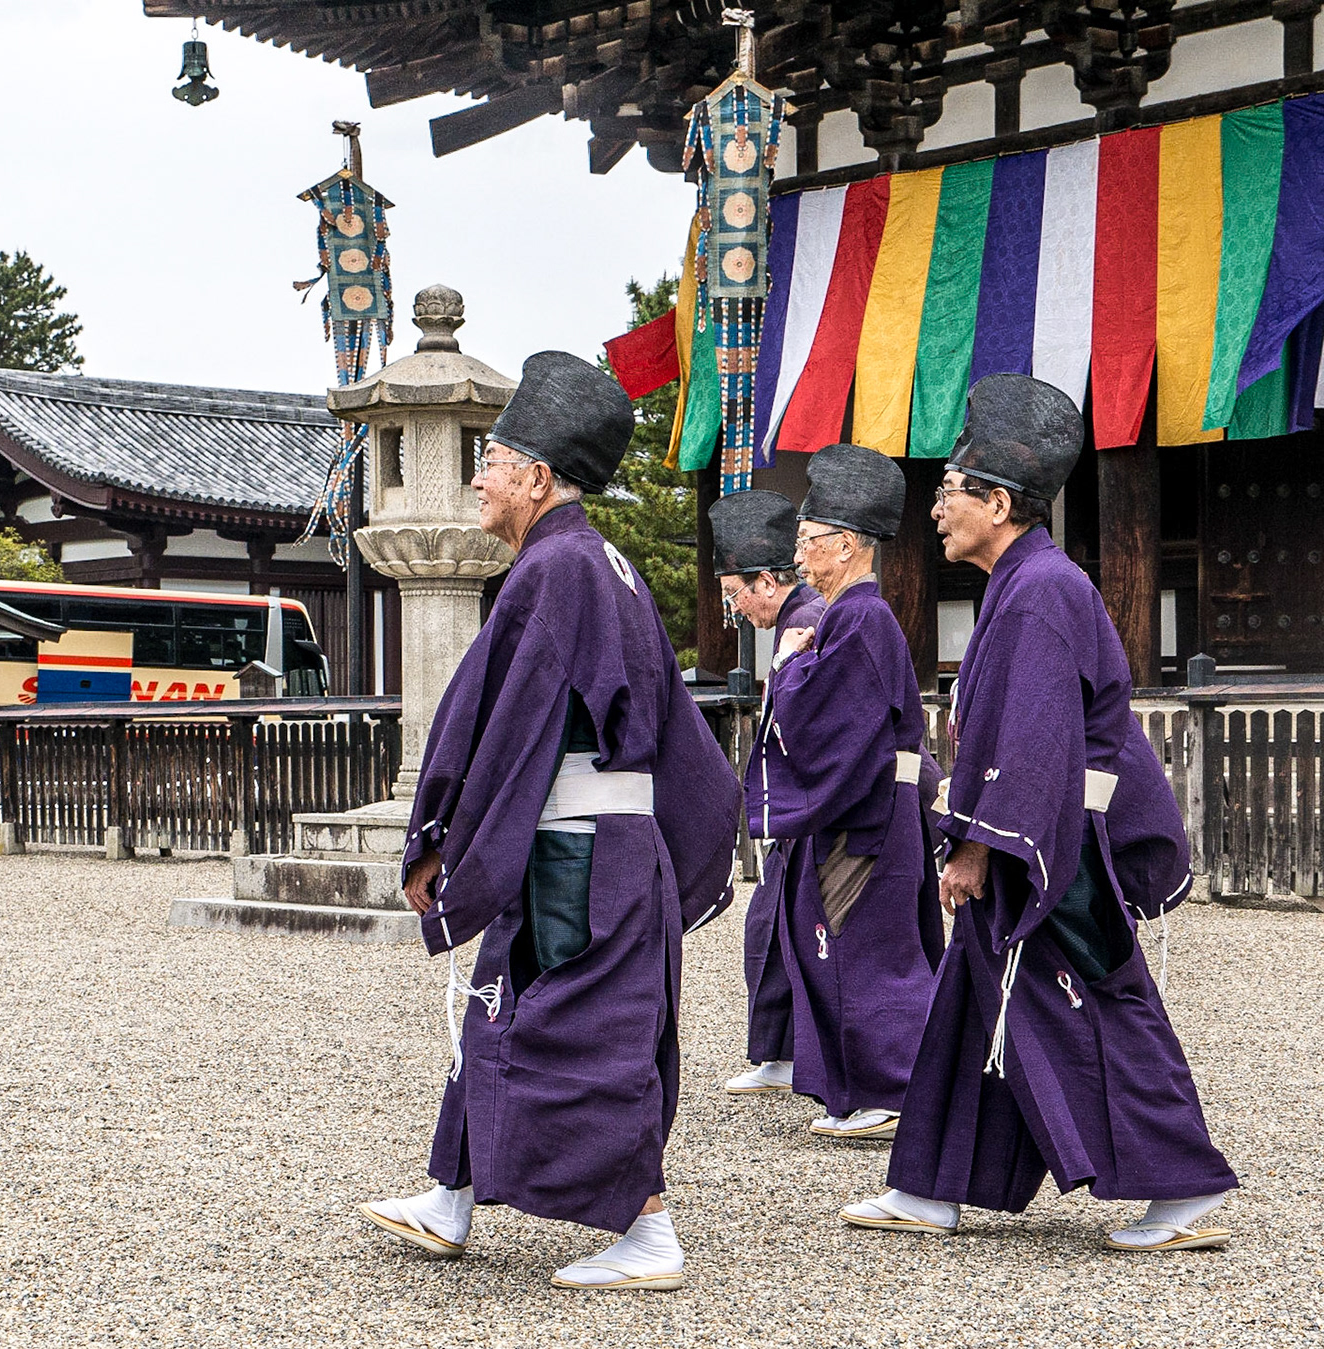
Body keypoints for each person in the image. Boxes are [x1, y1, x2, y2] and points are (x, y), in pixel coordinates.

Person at [358, 350, 742, 1291]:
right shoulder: (599, 561)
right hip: (594, 844)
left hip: (578, 852)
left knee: (583, 1033)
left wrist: (444, 834)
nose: (479, 476)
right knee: (502, 1007)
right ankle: (449, 1197)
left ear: (537, 477)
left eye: (491, 458)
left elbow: (505, 723)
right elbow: (675, 729)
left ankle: (648, 1233)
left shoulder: (558, 568)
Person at [844, 373, 1236, 1251]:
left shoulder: (1044, 589)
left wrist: (981, 848)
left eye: (949, 491)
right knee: (971, 1004)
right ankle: (931, 1185)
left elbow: (1035, 738)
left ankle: (1182, 1186)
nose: (936, 507)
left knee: (1097, 999)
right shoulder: (1022, 585)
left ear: (998, 501)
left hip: (1059, 843)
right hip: (1040, 830)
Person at [737, 445, 944, 1142]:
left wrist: (790, 667)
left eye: (807, 541)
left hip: (868, 816)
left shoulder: (858, 618)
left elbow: (825, 720)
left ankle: (896, 1089)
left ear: (847, 545)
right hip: (869, 812)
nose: (799, 557)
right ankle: (863, 1087)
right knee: (840, 942)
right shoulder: (853, 615)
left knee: (872, 951)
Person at [707, 490, 828, 1095]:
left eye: (734, 594)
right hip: (800, 805)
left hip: (816, 806)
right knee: (771, 923)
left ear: (764, 581)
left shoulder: (807, 620)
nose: (734, 609)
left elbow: (809, 721)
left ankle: (801, 1059)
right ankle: (780, 1055)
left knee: (797, 928)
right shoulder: (798, 618)